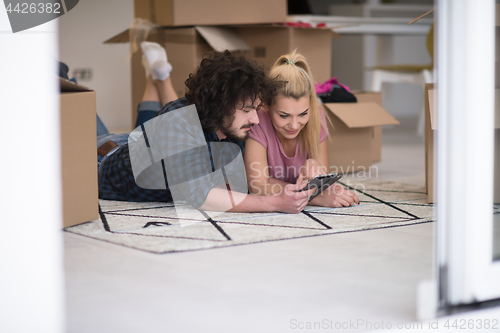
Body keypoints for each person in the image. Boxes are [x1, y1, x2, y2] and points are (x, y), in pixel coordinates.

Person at [97, 43, 316, 214]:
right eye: (247, 109)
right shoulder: (179, 121)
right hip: (102, 156)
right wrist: (275, 203)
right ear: (221, 105)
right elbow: (202, 196)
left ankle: (155, 77)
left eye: (256, 109)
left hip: (139, 145)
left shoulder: (233, 128)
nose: (256, 119)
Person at [244, 51, 360, 208]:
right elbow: (257, 186)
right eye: (284, 116)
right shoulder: (258, 120)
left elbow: (322, 184)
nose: (294, 125)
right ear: (266, 105)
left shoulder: (316, 117)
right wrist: (314, 197)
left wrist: (314, 166)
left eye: (303, 114)